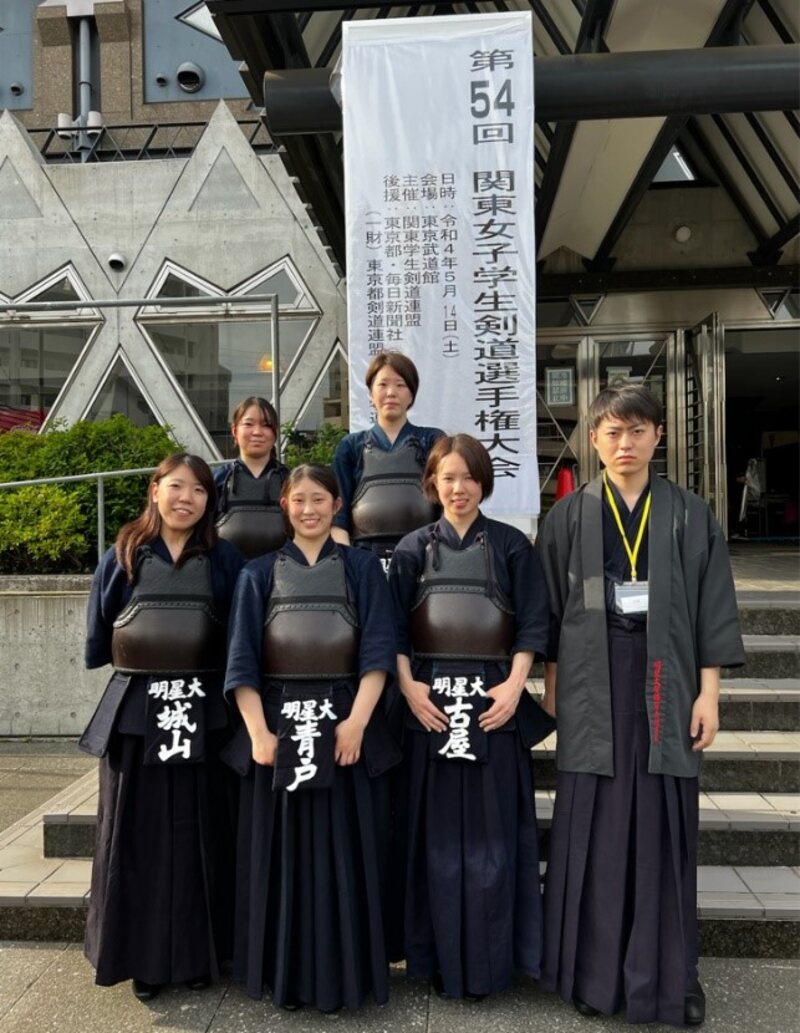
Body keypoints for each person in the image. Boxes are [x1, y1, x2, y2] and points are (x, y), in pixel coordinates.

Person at [537, 386, 745, 1027]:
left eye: (636, 431)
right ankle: (591, 976)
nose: (623, 444)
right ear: (592, 440)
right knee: (593, 828)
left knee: (661, 827)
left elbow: (712, 609)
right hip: (590, 681)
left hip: (668, 678)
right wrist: (550, 685)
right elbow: (548, 609)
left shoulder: (689, 513)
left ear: (658, 435)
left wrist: (709, 693)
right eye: (610, 433)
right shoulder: (568, 516)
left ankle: (670, 978)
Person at [224, 464, 400, 1012]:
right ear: (285, 505)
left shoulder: (363, 569)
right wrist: (258, 731)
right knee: (280, 854)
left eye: (319, 499)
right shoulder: (257, 574)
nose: (309, 509)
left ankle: (347, 974)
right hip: (279, 722)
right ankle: (285, 975)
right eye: (298, 499)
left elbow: (377, 651)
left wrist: (358, 723)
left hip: (343, 716)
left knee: (346, 850)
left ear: (337, 503)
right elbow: (242, 662)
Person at [388, 434, 551, 1000]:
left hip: (491, 704)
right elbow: (392, 633)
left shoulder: (511, 545)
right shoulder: (413, 548)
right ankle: (432, 959)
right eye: (447, 478)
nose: (458, 489)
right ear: (432, 483)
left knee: (494, 841)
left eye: (468, 477)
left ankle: (491, 963)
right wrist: (408, 687)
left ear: (484, 481)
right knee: (430, 840)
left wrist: (514, 685)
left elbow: (532, 622)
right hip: (429, 707)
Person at [80, 453, 245, 1001]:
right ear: (155, 490)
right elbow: (101, 640)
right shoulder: (122, 555)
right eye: (176, 487)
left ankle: (201, 954)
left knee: (205, 832)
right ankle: (144, 960)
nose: (187, 498)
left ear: (208, 500)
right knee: (136, 837)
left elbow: (237, 637)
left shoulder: (226, 560)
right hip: (138, 715)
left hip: (203, 712)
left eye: (198, 490)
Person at [331, 350, 444, 565]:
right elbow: (338, 514)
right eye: (382, 384)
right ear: (370, 393)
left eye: (400, 385)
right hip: (365, 557)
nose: (391, 392)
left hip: (423, 555)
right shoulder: (351, 447)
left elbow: (446, 506)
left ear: (411, 394)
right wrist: (348, 563)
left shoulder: (432, 440)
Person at [214, 396, 289, 560]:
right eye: (248, 424)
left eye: (266, 425)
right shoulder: (219, 479)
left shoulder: (290, 480)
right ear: (234, 431)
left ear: (275, 433)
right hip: (228, 574)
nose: (257, 432)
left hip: (281, 573)